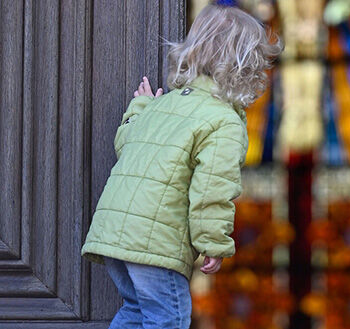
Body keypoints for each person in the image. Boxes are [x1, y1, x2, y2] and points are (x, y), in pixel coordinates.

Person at [80, 4, 283, 329]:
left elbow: (127, 145)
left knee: (134, 311)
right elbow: (212, 190)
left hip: (113, 234)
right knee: (169, 319)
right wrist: (212, 242)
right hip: (155, 244)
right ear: (247, 68)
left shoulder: (164, 104)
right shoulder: (224, 122)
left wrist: (139, 108)